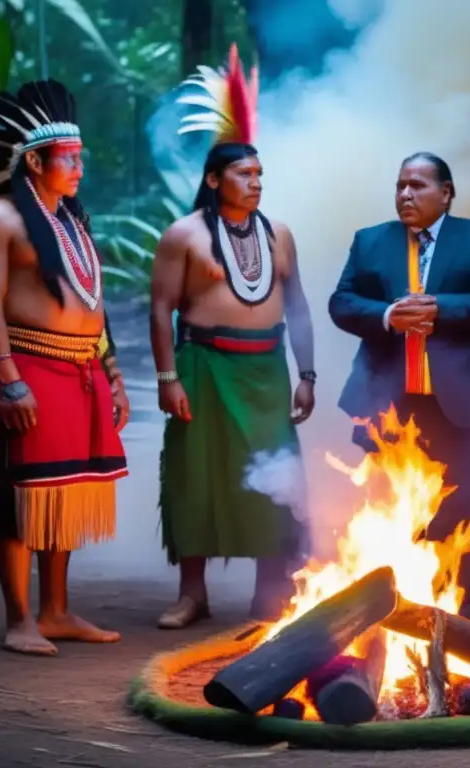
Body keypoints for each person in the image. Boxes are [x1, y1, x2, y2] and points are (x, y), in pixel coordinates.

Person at [0, 80, 130, 656]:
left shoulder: (72, 222)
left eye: (81, 157)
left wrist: (113, 374)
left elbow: (93, 304)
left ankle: (55, 611)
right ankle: (19, 619)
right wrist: (9, 381)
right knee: (19, 497)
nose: (80, 167)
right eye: (69, 158)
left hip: (80, 374)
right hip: (28, 371)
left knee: (64, 493)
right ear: (35, 160)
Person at [151, 45, 316, 629]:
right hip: (204, 366)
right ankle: (191, 594)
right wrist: (168, 378)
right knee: (198, 478)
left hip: (268, 370)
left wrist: (308, 374)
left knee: (275, 476)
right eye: (245, 174)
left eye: (260, 174)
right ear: (214, 179)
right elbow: (161, 307)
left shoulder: (280, 235)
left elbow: (296, 304)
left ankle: (269, 594)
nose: (256, 183)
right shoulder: (185, 235)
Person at [329, 151, 470, 634]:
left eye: (416, 185)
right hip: (387, 403)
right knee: (389, 499)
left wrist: (440, 308)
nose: (405, 195)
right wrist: (388, 316)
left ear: (446, 193)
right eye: (399, 186)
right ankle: (397, 604)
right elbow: (341, 303)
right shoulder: (370, 241)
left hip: (462, 405)